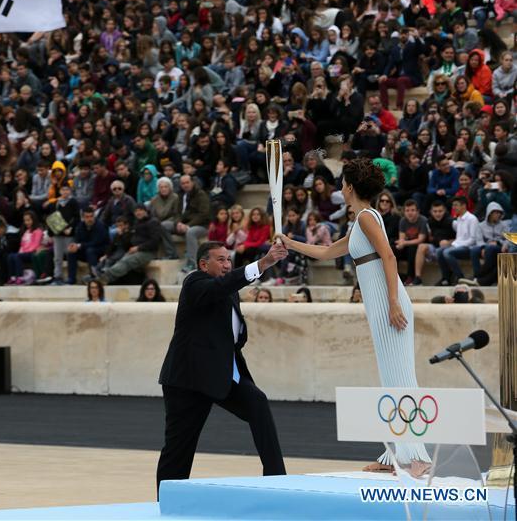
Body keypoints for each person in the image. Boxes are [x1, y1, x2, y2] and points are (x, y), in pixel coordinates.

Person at [280, 158, 431, 476]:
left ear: (350, 187)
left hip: (390, 307)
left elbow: (389, 256)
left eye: (342, 182)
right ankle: (395, 455)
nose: (340, 187)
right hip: (381, 308)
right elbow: (324, 252)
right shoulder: (361, 220)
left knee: (400, 380)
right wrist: (287, 241)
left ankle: (416, 458)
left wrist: (393, 302)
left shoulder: (365, 218)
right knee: (393, 380)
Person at [156, 239, 288, 497]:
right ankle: (166, 503)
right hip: (188, 382)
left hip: (222, 374)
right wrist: (264, 263)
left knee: (257, 403)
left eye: (229, 259)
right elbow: (218, 288)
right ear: (203, 264)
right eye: (221, 260)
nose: (227, 265)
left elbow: (232, 330)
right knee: (179, 449)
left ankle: (278, 481)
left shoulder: (229, 289)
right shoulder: (193, 283)